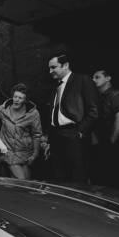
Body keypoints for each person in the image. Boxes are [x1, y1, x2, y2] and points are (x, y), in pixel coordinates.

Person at [47, 53, 98, 183]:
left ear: (66, 65)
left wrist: (79, 132)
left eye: (53, 67)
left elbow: (93, 111)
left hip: (73, 134)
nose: (50, 71)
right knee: (59, 175)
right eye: (49, 68)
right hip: (56, 136)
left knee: (77, 175)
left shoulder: (82, 80)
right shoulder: (56, 86)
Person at [91, 69, 119, 190]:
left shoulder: (117, 95)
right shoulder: (96, 98)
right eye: (93, 78)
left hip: (117, 147)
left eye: (97, 77)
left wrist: (111, 142)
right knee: (102, 181)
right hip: (101, 146)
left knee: (117, 183)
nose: (93, 80)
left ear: (108, 78)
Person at [0, 83, 42, 179]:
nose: (16, 100)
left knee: (25, 183)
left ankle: (6, 189)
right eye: (15, 96)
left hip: (25, 153)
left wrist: (35, 154)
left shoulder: (32, 113)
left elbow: (36, 134)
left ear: (25, 100)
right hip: (9, 152)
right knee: (22, 181)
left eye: (20, 98)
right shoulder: (2, 110)